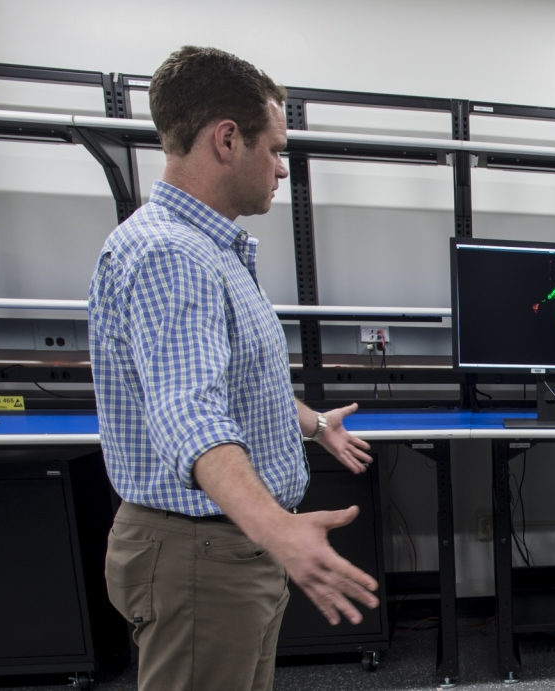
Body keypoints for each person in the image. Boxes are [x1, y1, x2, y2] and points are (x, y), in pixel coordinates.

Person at [88, 46, 380, 691]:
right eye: (275, 149)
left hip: (224, 548)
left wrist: (311, 423)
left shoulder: (209, 248)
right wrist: (278, 527)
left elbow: (235, 383)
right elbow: (188, 411)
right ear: (227, 139)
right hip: (201, 552)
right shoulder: (173, 254)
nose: (281, 169)